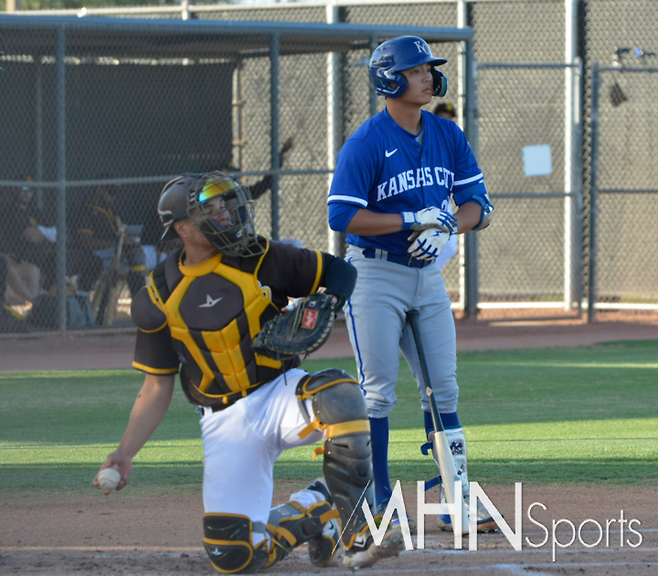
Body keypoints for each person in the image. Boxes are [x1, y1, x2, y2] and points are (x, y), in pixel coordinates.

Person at [93, 171, 405, 572]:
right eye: (209, 208)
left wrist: (326, 302)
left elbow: (339, 272)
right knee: (237, 557)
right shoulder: (156, 295)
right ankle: (316, 509)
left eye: (224, 203)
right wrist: (123, 453)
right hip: (224, 421)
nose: (224, 213)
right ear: (182, 228)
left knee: (342, 396)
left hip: (279, 393)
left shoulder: (261, 256)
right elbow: (156, 385)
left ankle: (362, 528)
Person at [327, 36, 496, 532]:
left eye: (428, 69)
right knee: (377, 393)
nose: (427, 76)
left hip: (427, 277)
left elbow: (479, 207)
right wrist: (409, 220)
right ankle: (376, 501)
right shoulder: (366, 141)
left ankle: (455, 496)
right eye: (417, 69)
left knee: (443, 389)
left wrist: (446, 225)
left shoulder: (447, 134)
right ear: (390, 78)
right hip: (375, 274)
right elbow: (342, 215)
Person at [68, 179, 147, 300]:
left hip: (118, 254)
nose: (114, 196)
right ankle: (142, 305)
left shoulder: (111, 211)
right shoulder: (86, 210)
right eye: (111, 191)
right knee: (136, 255)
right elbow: (87, 243)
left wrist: (126, 240)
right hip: (98, 256)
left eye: (116, 192)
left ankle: (145, 304)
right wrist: (117, 243)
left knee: (140, 252)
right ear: (100, 189)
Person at [0, 179, 57, 300]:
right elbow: (30, 236)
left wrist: (41, 233)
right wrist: (45, 234)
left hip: (38, 256)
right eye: (24, 189)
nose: (27, 193)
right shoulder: (9, 211)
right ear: (14, 189)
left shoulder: (35, 211)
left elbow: (57, 233)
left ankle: (38, 306)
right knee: (8, 265)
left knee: (36, 270)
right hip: (20, 255)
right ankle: (35, 304)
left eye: (31, 190)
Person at [431, 102, 459, 271]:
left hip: (443, 199)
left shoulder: (454, 141)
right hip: (425, 197)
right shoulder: (425, 137)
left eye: (450, 119)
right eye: (442, 118)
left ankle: (428, 277)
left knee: (448, 246)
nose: (446, 122)